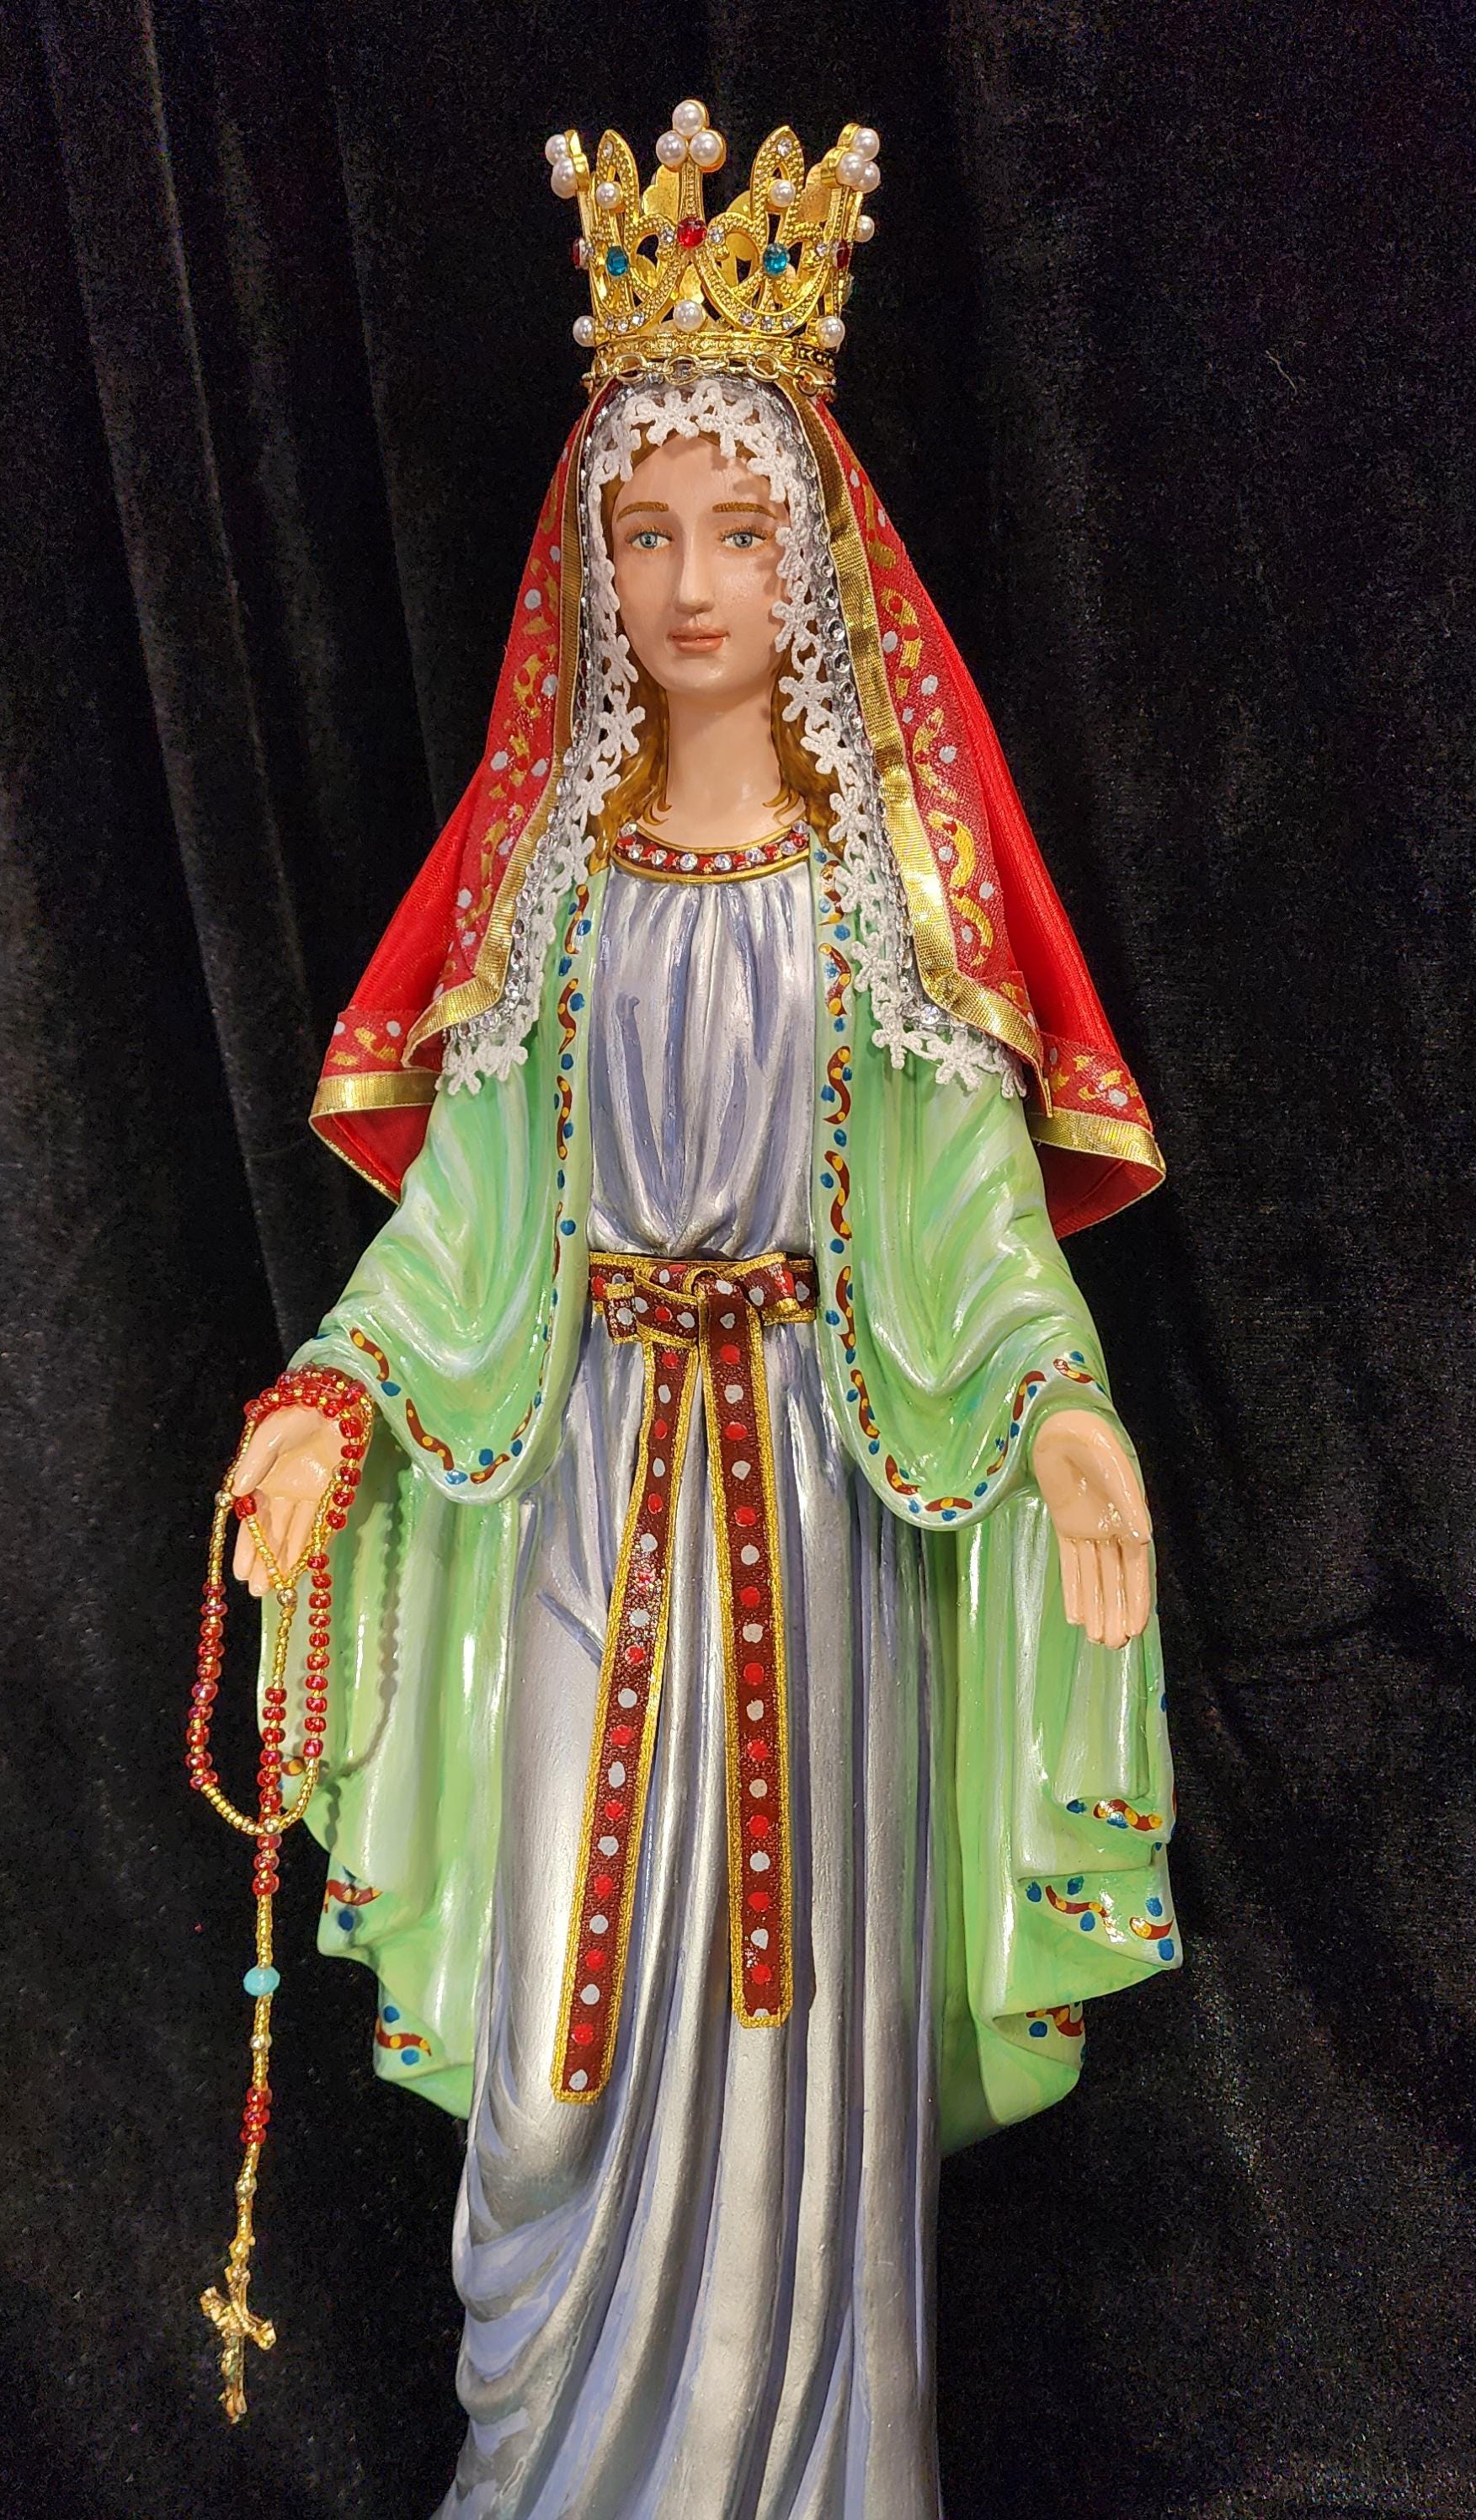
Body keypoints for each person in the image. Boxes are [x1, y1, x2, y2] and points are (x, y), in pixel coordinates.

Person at [212, 104, 1178, 2517]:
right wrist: (340, 1389)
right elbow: (472, 1215)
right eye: (644, 533)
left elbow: (973, 1212)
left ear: (813, 560)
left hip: (824, 1521)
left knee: (799, 2029)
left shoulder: (879, 900)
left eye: (737, 530)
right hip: (583, 1488)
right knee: (557, 2059)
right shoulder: (554, 885)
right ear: (593, 562)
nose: (688, 580)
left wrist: (1058, 1405)